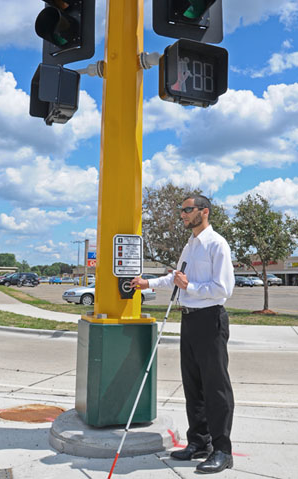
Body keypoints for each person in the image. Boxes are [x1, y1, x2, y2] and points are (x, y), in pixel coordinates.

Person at [131, 194, 235, 474]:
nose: (182, 214)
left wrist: (189, 287)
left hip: (210, 320)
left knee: (215, 387)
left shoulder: (217, 244)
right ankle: (199, 442)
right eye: (181, 210)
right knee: (193, 385)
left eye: (188, 210)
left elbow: (223, 289)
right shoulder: (190, 245)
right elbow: (176, 277)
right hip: (188, 320)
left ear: (205, 212)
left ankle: (222, 450)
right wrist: (146, 283)